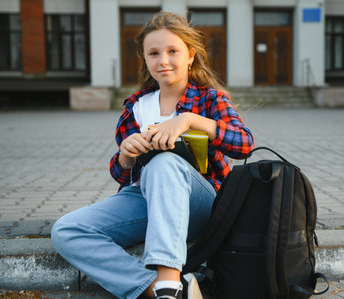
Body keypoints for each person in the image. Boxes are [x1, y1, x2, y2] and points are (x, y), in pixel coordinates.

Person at [51, 11, 254, 299]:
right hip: (145, 198)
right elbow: (120, 175)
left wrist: (189, 121)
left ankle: (168, 283)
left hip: (201, 203)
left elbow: (244, 144)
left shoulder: (210, 98)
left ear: (190, 55)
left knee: (165, 162)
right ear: (145, 59)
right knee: (67, 230)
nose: (163, 61)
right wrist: (126, 155)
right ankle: (156, 289)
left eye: (173, 51)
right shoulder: (136, 106)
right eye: (154, 53)